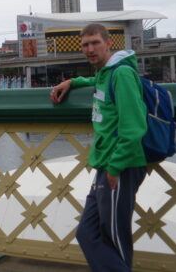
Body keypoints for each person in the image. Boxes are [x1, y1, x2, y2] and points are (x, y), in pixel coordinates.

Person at [50, 23, 147, 272]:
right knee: (87, 233)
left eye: (95, 43)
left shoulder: (122, 74)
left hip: (120, 165)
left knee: (114, 238)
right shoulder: (107, 73)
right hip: (105, 164)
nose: (90, 49)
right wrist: (73, 81)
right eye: (85, 44)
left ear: (109, 44)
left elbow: (134, 127)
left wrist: (115, 167)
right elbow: (97, 80)